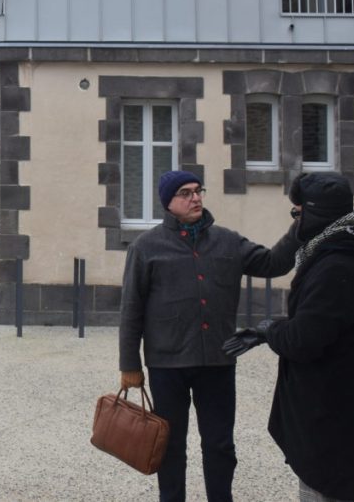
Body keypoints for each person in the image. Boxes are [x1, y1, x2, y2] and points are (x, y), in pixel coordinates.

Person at [119, 170, 301, 502]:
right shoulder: (145, 247)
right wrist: (129, 364)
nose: (195, 198)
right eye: (185, 193)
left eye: (198, 190)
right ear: (168, 202)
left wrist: (300, 226)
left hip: (218, 360)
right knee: (169, 444)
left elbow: (273, 263)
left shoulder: (228, 241)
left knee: (220, 445)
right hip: (167, 365)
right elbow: (131, 308)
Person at [223, 172, 354, 502]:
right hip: (346, 406)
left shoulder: (337, 266)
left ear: (315, 214)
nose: (296, 220)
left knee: (327, 488)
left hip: (331, 418)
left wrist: (269, 329)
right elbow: (324, 323)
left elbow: (304, 340)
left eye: (298, 212)